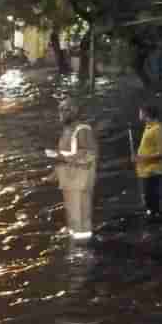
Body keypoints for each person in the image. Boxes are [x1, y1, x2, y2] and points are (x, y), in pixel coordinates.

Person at [48, 97, 98, 239]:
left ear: (75, 111)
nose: (62, 113)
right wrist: (55, 173)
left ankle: (83, 252)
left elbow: (89, 155)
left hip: (80, 181)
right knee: (73, 215)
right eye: (60, 110)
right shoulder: (67, 131)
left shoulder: (82, 130)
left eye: (66, 109)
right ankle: (74, 241)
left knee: (81, 219)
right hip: (69, 181)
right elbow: (65, 155)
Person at [133, 104, 162, 217]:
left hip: (153, 170)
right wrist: (138, 158)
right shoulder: (148, 128)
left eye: (140, 112)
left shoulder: (157, 128)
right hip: (145, 169)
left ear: (146, 113)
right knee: (148, 198)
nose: (139, 114)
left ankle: (154, 218)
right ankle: (151, 216)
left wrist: (141, 158)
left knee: (151, 198)